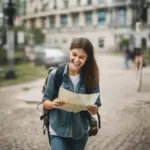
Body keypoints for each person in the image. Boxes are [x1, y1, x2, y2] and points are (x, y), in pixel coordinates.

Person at [43, 37, 101, 150]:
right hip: (57, 130)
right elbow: (45, 101)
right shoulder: (56, 74)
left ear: (87, 58)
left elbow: (96, 105)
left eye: (82, 57)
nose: (77, 60)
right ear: (69, 52)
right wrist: (53, 104)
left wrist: (93, 109)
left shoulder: (91, 78)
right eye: (74, 55)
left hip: (80, 132)